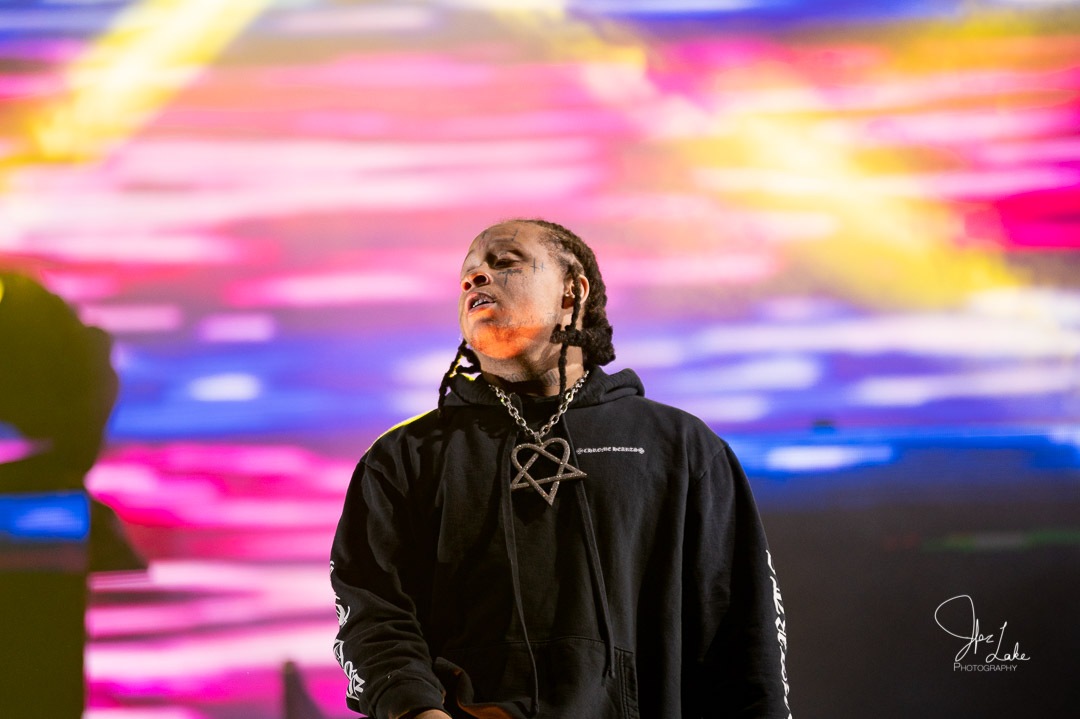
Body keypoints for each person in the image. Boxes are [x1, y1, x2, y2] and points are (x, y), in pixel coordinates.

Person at [330, 219, 792, 719]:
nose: (474, 278)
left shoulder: (679, 447)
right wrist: (417, 712)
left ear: (572, 291)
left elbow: (743, 630)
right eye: (467, 274)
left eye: (504, 262)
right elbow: (374, 614)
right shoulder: (405, 457)